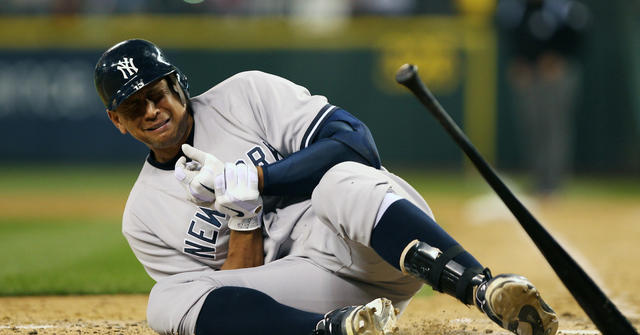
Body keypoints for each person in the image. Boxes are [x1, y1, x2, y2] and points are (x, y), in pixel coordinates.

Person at [93, 39, 558, 335]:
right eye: (134, 107)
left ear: (178, 84)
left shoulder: (246, 95)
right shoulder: (144, 216)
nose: (151, 111)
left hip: (370, 240)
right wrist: (243, 215)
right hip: (307, 287)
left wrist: (257, 178)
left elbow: (357, 145)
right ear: (117, 121)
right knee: (166, 302)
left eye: (156, 94)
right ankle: (336, 331)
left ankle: (484, 290)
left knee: (340, 179)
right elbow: (233, 298)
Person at [496, 0, 589, 195]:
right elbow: (510, 34)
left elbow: (578, 36)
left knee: (554, 127)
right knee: (532, 125)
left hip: (556, 74)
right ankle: (539, 178)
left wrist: (559, 57)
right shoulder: (518, 8)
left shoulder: (563, 7)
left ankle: (554, 181)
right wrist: (518, 61)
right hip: (529, 74)